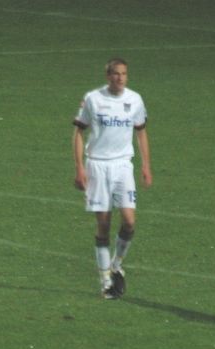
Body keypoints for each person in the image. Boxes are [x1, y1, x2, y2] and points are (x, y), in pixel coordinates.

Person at [73, 58, 152, 299]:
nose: (120, 78)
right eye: (116, 74)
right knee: (104, 223)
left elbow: (141, 133)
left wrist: (146, 165)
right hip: (97, 165)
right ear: (108, 76)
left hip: (122, 167)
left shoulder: (134, 100)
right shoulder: (93, 99)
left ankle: (117, 263)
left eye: (124, 74)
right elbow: (78, 132)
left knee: (129, 221)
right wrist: (79, 168)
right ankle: (105, 279)